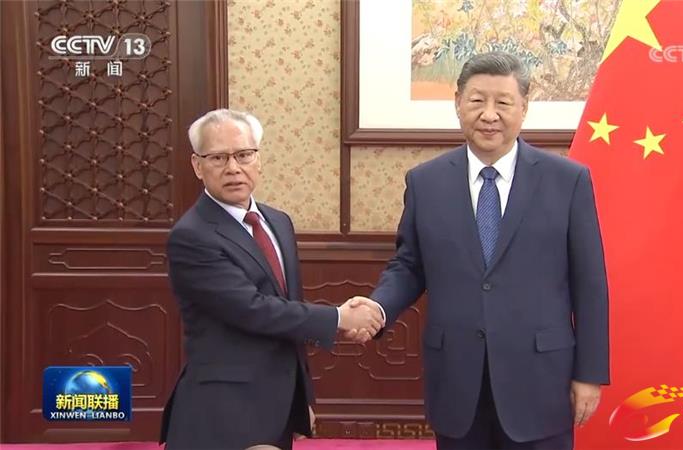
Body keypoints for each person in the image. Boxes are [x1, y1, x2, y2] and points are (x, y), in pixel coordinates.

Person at [348, 52, 609, 449]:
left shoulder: (567, 181)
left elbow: (589, 283)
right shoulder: (426, 182)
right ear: (458, 103)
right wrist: (378, 308)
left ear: (524, 107)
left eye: (503, 102)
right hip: (457, 378)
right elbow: (409, 265)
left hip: (541, 379)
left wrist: (589, 374)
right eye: (476, 101)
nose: (489, 114)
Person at [159, 109, 383, 450]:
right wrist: (339, 318)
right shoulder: (191, 236)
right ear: (197, 165)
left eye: (243, 154)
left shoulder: (278, 222)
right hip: (220, 414)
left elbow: (289, 307)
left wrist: (302, 398)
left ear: (258, 158)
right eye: (218, 157)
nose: (233, 168)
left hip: (277, 406)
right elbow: (253, 309)